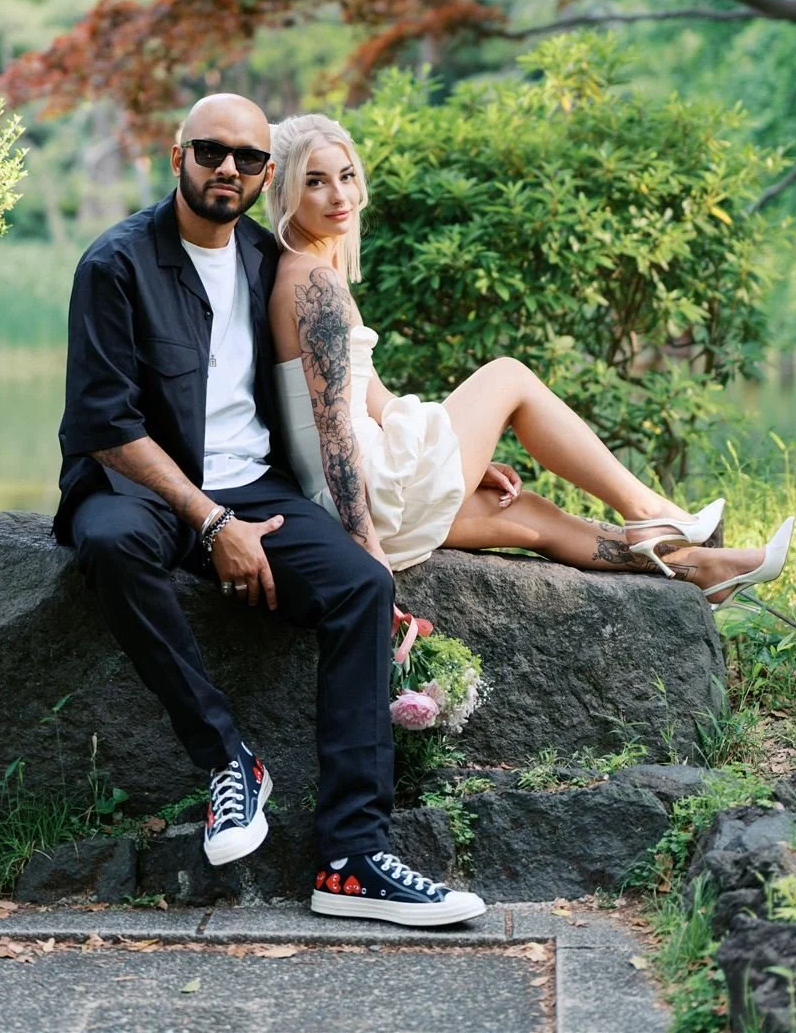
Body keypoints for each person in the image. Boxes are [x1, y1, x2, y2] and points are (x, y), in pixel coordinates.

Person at [57, 93, 487, 927]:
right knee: (108, 545)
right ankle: (230, 761)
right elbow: (104, 427)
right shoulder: (115, 264)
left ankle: (352, 862)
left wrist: (430, 446)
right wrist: (211, 524)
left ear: (263, 174)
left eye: (248, 158)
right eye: (211, 151)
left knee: (361, 585)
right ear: (177, 154)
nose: (229, 169)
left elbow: (338, 389)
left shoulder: (267, 263)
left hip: (258, 488)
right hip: (145, 487)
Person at [264, 112, 795, 597]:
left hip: (352, 496)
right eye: (315, 181)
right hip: (363, 501)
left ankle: (704, 570)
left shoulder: (309, 269)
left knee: (527, 513)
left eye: (347, 175)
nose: (340, 194)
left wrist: (455, 452)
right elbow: (334, 428)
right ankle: (648, 510)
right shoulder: (315, 283)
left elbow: (370, 395)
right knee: (508, 376)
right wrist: (364, 547)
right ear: (287, 191)